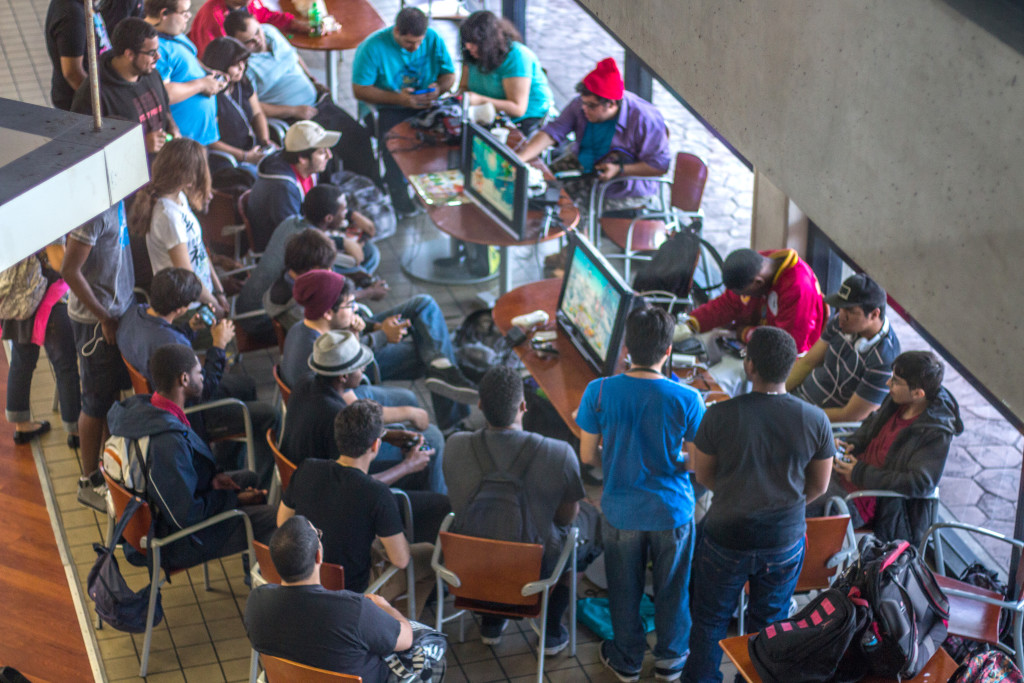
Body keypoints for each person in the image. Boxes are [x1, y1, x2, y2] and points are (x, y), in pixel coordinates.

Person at [683, 327, 833, 683]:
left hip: (726, 537)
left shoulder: (719, 415)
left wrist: (736, 493)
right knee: (769, 626)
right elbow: (819, 486)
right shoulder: (815, 420)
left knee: (709, 619)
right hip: (783, 541)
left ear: (749, 367)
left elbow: (703, 474)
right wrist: (783, 505)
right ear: (791, 367)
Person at [576, 306, 706, 683]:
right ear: (668, 351)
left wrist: (618, 449)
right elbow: (695, 463)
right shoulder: (688, 398)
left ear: (626, 349)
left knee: (623, 589)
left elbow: (587, 456)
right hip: (672, 513)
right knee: (673, 590)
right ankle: (670, 661)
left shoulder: (598, 392)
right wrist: (672, 457)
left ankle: (627, 659)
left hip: (620, 512)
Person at [444, 366, 585, 653]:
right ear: (524, 406)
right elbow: (567, 517)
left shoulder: (454, 446)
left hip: (470, 571)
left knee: (489, 533)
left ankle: (491, 622)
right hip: (533, 575)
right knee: (579, 535)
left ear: (480, 405)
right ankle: (551, 633)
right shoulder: (559, 453)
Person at [106, 343, 276, 569]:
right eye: (199, 372)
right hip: (174, 541)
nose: (203, 376)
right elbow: (186, 516)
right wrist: (232, 500)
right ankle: (258, 580)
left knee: (249, 479)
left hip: (163, 514)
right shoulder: (166, 441)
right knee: (275, 518)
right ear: (184, 380)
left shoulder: (147, 409)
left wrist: (212, 480)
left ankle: (254, 563)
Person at [116, 267, 280, 486]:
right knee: (269, 415)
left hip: (158, 397)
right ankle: (256, 484)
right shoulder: (174, 344)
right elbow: (204, 390)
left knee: (245, 384)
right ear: (182, 307)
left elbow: (166, 343)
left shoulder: (134, 315)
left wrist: (190, 328)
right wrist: (218, 346)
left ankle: (227, 462)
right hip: (190, 414)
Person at [278, 399, 438, 618]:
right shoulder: (377, 494)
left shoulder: (307, 468)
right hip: (350, 593)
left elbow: (283, 522)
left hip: (305, 578)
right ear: (375, 445)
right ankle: (396, 629)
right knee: (428, 555)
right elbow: (400, 559)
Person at [806, 351, 963, 546]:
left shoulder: (934, 433)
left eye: (896, 381)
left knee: (795, 505)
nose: (888, 384)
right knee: (791, 479)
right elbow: (871, 426)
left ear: (918, 393)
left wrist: (858, 473)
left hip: (865, 502)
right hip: (846, 476)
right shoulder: (898, 401)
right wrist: (852, 443)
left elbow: (920, 483)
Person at [280, 329, 448, 498]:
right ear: (344, 376)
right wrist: (408, 466)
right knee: (431, 450)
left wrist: (386, 435)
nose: (364, 368)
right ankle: (440, 514)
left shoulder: (305, 382)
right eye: (360, 366)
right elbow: (355, 486)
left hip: (305, 476)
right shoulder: (336, 416)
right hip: (325, 496)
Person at [245, 516, 413, 680]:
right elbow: (406, 639)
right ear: (318, 556)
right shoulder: (354, 610)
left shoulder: (256, 602)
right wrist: (385, 607)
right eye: (318, 535)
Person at [222, 11, 378, 184]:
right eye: (249, 41)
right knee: (324, 159)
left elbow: (295, 57)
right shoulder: (244, 66)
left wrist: (311, 79)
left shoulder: (270, 32)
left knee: (359, 138)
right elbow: (254, 105)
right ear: (237, 43)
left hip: (318, 102)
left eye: (257, 32)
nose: (258, 40)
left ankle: (373, 190)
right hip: (296, 118)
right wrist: (294, 111)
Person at [516, 57, 670, 225]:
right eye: (583, 103)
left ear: (611, 104)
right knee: (542, 184)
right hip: (586, 161)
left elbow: (659, 166)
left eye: (590, 106)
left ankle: (573, 246)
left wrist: (620, 169)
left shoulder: (646, 120)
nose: (583, 109)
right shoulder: (581, 104)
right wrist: (519, 159)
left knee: (571, 211)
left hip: (625, 183)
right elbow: (553, 131)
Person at [62, 202, 136, 511]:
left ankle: (109, 465)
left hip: (118, 313)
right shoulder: (91, 213)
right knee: (94, 402)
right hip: (96, 323)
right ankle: (88, 480)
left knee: (109, 396)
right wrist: (103, 316)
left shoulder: (117, 202)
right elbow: (68, 270)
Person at [351, 7, 456, 215]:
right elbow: (360, 89)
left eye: (419, 42)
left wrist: (438, 89)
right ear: (397, 31)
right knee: (396, 151)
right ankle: (400, 199)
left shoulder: (433, 39)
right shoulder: (372, 47)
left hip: (427, 105)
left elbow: (449, 75)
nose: (415, 48)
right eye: (409, 43)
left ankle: (430, 193)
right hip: (390, 107)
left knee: (446, 141)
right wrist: (399, 99)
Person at [236, 184, 381, 329]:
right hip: (258, 320)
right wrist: (369, 292)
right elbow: (325, 299)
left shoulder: (292, 222)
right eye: (343, 211)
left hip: (248, 303)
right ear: (328, 218)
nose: (346, 215)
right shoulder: (311, 251)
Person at [129, 138, 229, 317]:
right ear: (188, 179)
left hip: (203, 296)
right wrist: (216, 306)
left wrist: (218, 290)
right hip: (189, 308)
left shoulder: (179, 198)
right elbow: (188, 278)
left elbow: (198, 248)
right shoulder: (168, 216)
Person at [787, 273, 901, 422]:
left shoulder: (884, 359)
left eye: (850, 312)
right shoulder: (840, 323)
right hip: (798, 400)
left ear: (874, 314)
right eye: (841, 308)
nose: (841, 316)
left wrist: (799, 415)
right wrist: (776, 394)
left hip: (821, 422)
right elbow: (807, 362)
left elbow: (851, 415)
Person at [676, 247, 827, 355]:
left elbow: (787, 345)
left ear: (758, 283)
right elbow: (727, 304)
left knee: (723, 376)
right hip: (754, 341)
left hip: (787, 357)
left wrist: (745, 333)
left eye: (743, 293)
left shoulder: (798, 288)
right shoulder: (758, 266)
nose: (741, 297)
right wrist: (690, 324)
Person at [2, 245, 81, 447]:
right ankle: (76, 430)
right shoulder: (46, 217)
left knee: (21, 362)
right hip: (51, 295)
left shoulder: (10, 214)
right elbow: (59, 262)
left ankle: (22, 425)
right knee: (65, 367)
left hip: (22, 297)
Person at [71, 17, 180, 158]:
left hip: (160, 167)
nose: (158, 57)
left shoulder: (151, 73)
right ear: (129, 54)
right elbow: (83, 148)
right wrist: (140, 145)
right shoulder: (93, 96)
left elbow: (165, 111)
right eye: (152, 53)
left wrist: (173, 127)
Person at [246, 120, 338, 253]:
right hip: (286, 252)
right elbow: (294, 238)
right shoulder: (282, 188)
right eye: (322, 152)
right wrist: (339, 242)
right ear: (302, 158)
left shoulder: (309, 169)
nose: (329, 156)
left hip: (307, 235)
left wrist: (350, 215)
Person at [144, 0, 226, 146]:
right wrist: (201, 84)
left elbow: (189, 57)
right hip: (182, 143)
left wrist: (208, 73)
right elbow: (162, 94)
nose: (189, 16)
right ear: (164, 14)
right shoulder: (154, 48)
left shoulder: (173, 32)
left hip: (199, 138)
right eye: (184, 12)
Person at [457, 10, 553, 133]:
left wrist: (480, 100)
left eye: (474, 42)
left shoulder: (517, 56)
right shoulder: (471, 55)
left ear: (489, 42)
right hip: (486, 116)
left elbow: (517, 108)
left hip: (524, 121)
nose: (468, 46)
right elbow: (464, 87)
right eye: (466, 42)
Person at [201, 37, 273, 177]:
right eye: (235, 65)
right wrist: (245, 156)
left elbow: (258, 113)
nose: (242, 68)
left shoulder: (243, 82)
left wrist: (265, 141)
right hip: (228, 158)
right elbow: (209, 140)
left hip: (252, 147)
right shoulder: (208, 95)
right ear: (221, 65)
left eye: (244, 63)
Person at [263, 228, 338, 333]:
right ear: (308, 271)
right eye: (324, 269)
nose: (330, 273)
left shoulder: (289, 275)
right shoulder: (297, 311)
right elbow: (327, 335)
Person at [45, 0, 112, 110]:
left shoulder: (84, 4)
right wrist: (100, 104)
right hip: (79, 106)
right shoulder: (72, 16)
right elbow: (72, 73)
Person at [189, 0, 311, 56]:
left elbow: (265, 16)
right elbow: (214, 58)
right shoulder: (213, 18)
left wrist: (294, 24)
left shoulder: (247, 3)